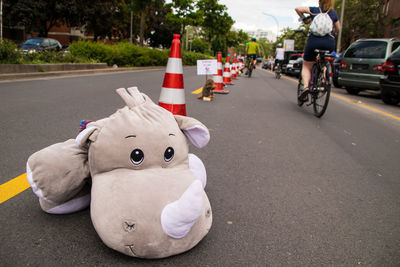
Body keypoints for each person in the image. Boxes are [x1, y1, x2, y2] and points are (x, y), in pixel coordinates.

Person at [295, 0, 341, 102]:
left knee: (307, 66)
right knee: (325, 61)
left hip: (313, 41)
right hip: (329, 42)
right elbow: (338, 28)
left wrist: (304, 19)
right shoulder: (333, 13)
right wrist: (333, 32)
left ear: (319, 1)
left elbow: (298, 9)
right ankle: (323, 79)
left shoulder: (314, 10)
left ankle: (306, 87)